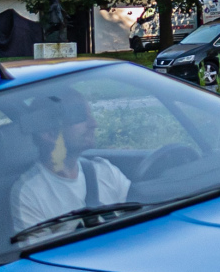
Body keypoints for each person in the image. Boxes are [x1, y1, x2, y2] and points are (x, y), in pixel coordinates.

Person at [10, 91, 130, 238]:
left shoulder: (106, 171)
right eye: (81, 117)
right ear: (49, 133)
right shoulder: (30, 194)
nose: (94, 124)